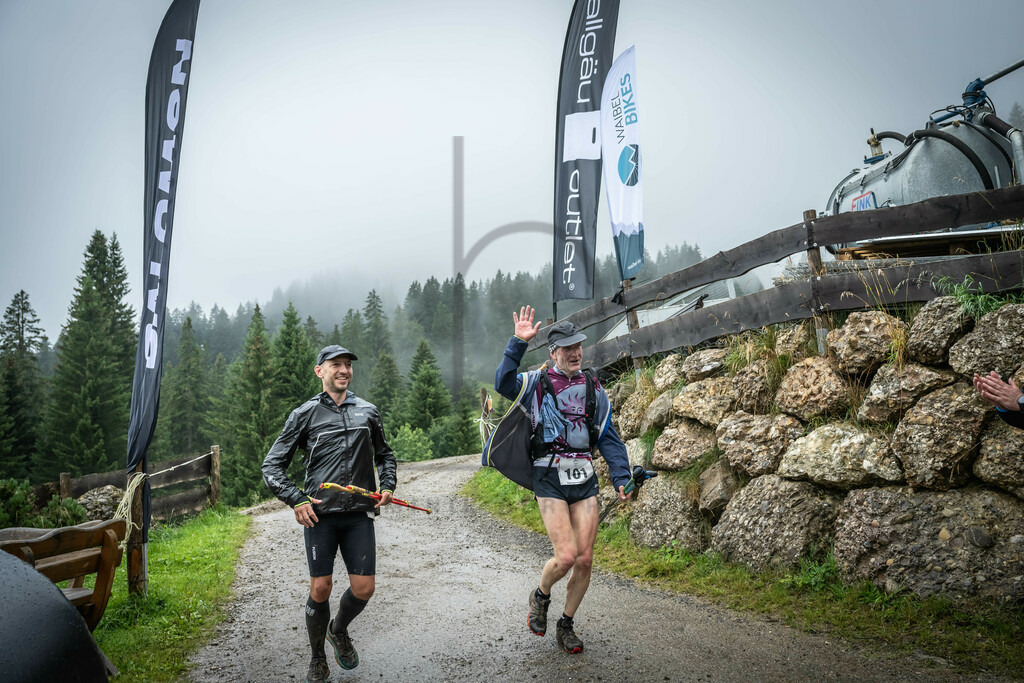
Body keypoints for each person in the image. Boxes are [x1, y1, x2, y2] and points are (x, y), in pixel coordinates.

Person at [494, 305, 633, 654]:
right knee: (567, 556)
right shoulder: (535, 382)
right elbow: (502, 383)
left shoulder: (593, 386)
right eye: (567, 348)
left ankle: (566, 624)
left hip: (584, 476)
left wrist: (621, 476)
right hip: (549, 476)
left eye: (579, 346)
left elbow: (608, 436)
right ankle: (541, 596)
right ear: (553, 352)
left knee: (585, 560)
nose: (575, 352)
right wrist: (517, 342)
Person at [263, 344, 397, 682]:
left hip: (358, 514)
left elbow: (385, 455)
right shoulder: (304, 414)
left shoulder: (368, 411)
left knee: (365, 588)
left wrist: (389, 485)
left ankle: (338, 630)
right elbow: (272, 466)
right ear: (319, 371)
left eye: (348, 365)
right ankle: (317, 658)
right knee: (320, 587)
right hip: (320, 516)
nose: (344, 370)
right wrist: (296, 499)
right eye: (335, 365)